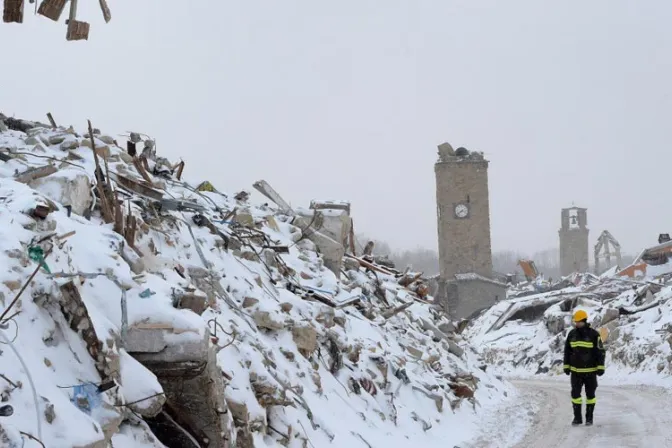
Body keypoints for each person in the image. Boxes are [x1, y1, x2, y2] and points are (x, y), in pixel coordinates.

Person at [563, 309, 605, 426]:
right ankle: (577, 418)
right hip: (576, 373)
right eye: (575, 322)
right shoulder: (572, 334)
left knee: (590, 396)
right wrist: (566, 366)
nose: (576, 324)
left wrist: (600, 367)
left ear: (584, 321)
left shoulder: (594, 334)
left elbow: (600, 352)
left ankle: (589, 418)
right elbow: (567, 351)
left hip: (590, 372)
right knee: (575, 396)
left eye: (578, 322)